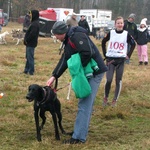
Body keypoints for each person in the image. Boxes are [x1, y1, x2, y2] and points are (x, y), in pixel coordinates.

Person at [46, 21, 107, 144]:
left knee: (84, 103)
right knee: (85, 104)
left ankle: (78, 137)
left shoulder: (76, 36)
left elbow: (87, 52)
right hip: (88, 72)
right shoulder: (68, 40)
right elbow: (65, 58)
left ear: (62, 33)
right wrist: (54, 76)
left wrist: (79, 70)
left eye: (56, 35)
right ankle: (80, 132)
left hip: (95, 72)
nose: (55, 37)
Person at [102, 16, 136, 107]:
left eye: (121, 23)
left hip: (120, 60)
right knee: (108, 79)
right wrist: (105, 53)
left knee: (118, 80)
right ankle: (105, 97)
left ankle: (114, 100)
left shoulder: (126, 34)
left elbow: (133, 44)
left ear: (123, 24)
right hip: (110, 59)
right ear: (115, 24)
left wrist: (128, 55)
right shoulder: (111, 33)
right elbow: (103, 41)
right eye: (118, 23)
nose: (120, 25)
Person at [23, 10, 39, 75]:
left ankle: (31, 71)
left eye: (31, 14)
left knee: (30, 57)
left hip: (31, 43)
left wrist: (27, 40)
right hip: (29, 43)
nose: (30, 15)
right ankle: (26, 70)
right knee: (28, 57)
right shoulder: (33, 23)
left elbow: (32, 34)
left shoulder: (35, 24)